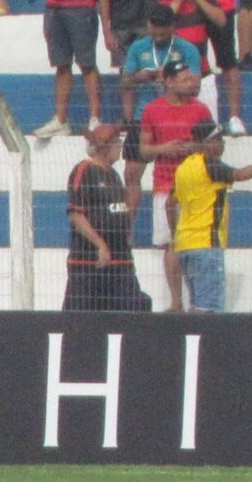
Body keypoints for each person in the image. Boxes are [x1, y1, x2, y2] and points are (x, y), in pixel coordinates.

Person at [172, 126, 252, 312]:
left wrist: (174, 231)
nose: (222, 144)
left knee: (196, 305)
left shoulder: (182, 167)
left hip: (184, 244)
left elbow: (170, 202)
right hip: (206, 242)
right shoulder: (208, 165)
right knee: (209, 308)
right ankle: (209, 341)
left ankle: (194, 338)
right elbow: (240, 175)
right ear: (205, 143)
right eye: (217, 140)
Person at [136, 57, 214, 296]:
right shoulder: (152, 110)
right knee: (171, 244)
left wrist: (193, 147)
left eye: (190, 78)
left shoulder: (200, 109)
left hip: (196, 185)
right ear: (168, 82)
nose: (190, 83)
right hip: (165, 184)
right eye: (184, 80)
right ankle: (176, 299)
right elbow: (143, 150)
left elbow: (216, 147)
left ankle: (197, 299)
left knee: (196, 244)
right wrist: (164, 149)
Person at [66, 123, 154, 309]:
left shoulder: (114, 174)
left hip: (121, 259)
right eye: (117, 143)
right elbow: (76, 215)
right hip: (91, 261)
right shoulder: (84, 171)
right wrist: (100, 245)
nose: (120, 147)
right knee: (84, 315)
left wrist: (126, 232)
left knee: (132, 308)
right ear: (106, 147)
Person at [33, 0, 110, 136]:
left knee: (87, 64)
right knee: (61, 64)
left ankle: (95, 119)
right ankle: (61, 120)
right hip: (54, 9)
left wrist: (106, 28)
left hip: (82, 9)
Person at [173, 0, 247, 133]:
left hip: (220, 4)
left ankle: (234, 118)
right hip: (186, 7)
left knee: (227, 58)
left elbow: (222, 21)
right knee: (189, 48)